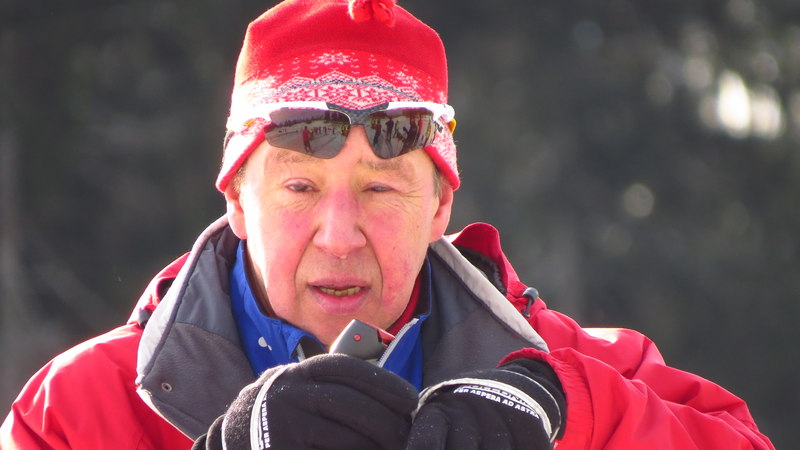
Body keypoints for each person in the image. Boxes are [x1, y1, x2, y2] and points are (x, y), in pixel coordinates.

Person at [0, 0, 775, 449]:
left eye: (380, 189)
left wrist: (566, 412)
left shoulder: (570, 374)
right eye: (300, 186)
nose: (340, 235)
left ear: (440, 206)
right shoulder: (77, 412)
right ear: (235, 198)